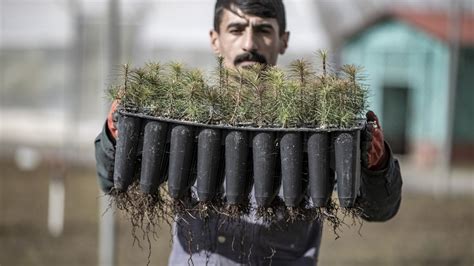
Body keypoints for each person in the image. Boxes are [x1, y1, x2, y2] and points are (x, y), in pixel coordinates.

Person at [94, 0, 402, 265]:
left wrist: (377, 167)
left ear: (283, 39)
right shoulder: (185, 118)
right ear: (215, 39)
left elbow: (381, 209)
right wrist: (114, 139)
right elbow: (112, 179)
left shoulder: (315, 126)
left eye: (263, 30)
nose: (249, 44)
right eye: (236, 29)